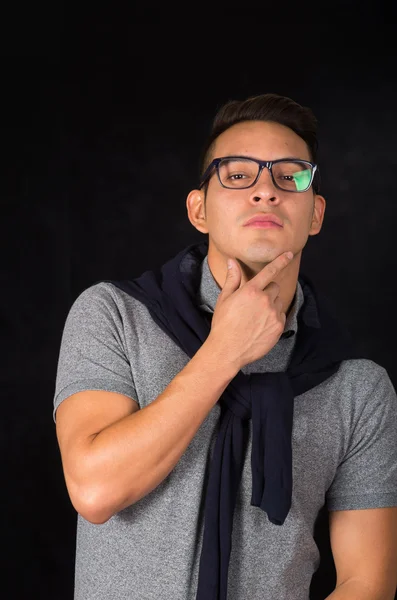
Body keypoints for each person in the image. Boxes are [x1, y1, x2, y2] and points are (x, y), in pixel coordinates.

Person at [53, 93, 397, 600]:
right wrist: (224, 351)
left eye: (290, 175)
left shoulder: (357, 389)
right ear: (199, 209)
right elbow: (95, 490)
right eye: (238, 175)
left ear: (316, 213)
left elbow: (367, 582)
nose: (266, 192)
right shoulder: (113, 316)